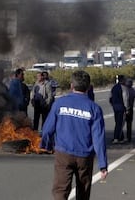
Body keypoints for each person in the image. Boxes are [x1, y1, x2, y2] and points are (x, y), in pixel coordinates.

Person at [40, 70, 108, 200]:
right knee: (83, 191)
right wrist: (103, 165)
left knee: (60, 190)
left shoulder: (60, 103)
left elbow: (47, 129)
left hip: (63, 153)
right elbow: (99, 138)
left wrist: (46, 145)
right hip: (85, 156)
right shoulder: (94, 108)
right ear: (88, 87)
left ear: (71, 85)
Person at [109, 75, 129, 144]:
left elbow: (110, 97)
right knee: (120, 123)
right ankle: (116, 138)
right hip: (121, 107)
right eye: (124, 79)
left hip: (115, 107)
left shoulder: (114, 87)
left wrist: (113, 104)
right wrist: (127, 108)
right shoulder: (123, 88)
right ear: (122, 80)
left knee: (117, 122)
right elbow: (125, 99)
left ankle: (121, 137)